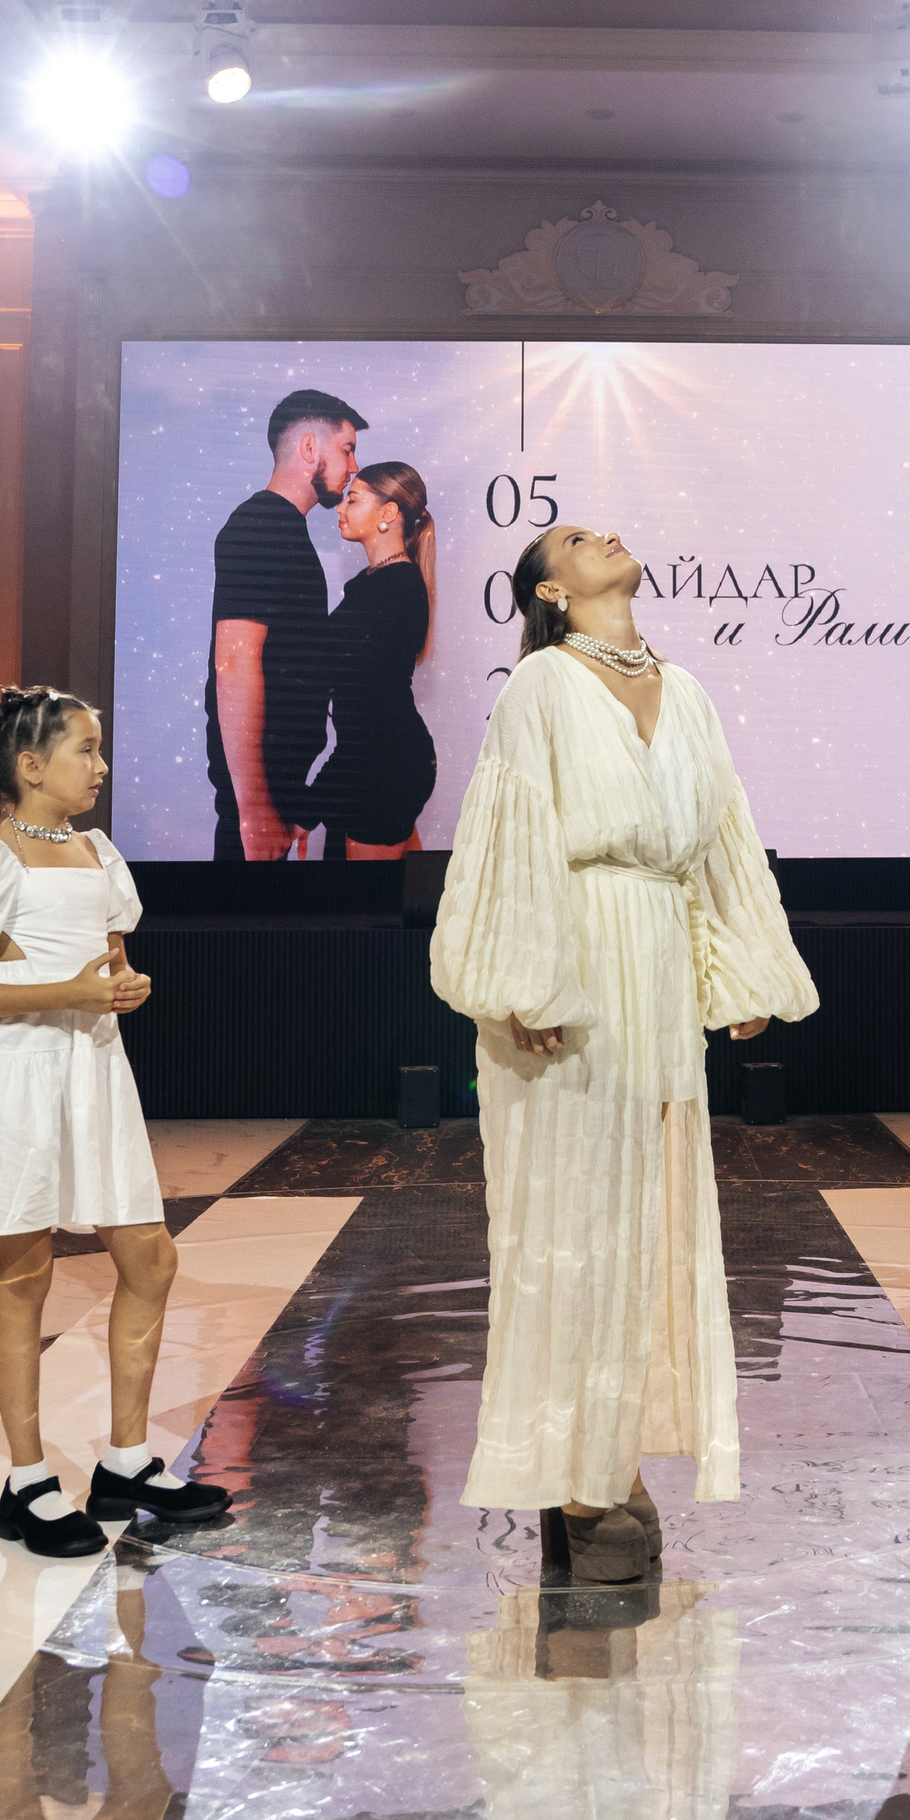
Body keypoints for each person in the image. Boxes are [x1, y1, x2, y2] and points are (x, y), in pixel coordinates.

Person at [429, 521, 818, 1585]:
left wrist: (741, 969)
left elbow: (722, 832)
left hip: (654, 967)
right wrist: (526, 981)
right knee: (571, 1219)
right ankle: (575, 1476)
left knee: (646, 1220)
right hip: (570, 962)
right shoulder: (541, 684)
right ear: (551, 591)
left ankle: (612, 1456)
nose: (603, 534)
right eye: (574, 538)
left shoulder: (683, 690)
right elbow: (508, 833)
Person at [0, 688, 229, 1556]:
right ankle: (27, 1482)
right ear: (31, 765)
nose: (101, 766)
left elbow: (108, 964)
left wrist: (122, 985)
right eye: (85, 749)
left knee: (150, 1257)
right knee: (24, 1271)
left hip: (92, 1067)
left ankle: (125, 1463)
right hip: (14, 1074)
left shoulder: (98, 853)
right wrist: (72, 992)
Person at [206, 389, 366, 862]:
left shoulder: (282, 528)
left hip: (278, 788)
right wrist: (254, 809)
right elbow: (234, 664)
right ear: (310, 447)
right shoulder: (260, 525)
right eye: (347, 449)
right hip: (261, 799)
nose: (354, 466)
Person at [311, 460, 438, 862]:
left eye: (353, 499)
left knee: (364, 902)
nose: (340, 508)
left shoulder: (392, 591)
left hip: (383, 768)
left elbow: (371, 715)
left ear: (388, 512)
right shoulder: (377, 585)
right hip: (382, 764)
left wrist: (311, 805)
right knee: (414, 895)